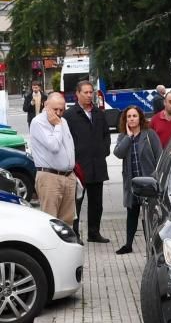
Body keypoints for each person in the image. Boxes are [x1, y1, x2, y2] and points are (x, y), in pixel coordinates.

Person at [64, 80, 112, 243]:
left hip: (97, 165)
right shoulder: (70, 115)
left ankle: (94, 233)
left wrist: (104, 150)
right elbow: (66, 139)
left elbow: (106, 134)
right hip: (79, 167)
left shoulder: (98, 113)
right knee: (76, 203)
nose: (89, 95)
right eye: (85, 92)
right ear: (77, 94)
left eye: (91, 92)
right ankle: (75, 234)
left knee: (97, 203)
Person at [112, 106, 162, 255]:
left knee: (150, 216)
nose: (132, 119)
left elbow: (159, 156)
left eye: (134, 116)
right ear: (125, 120)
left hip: (148, 183)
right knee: (131, 214)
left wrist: (157, 177)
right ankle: (128, 244)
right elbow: (118, 153)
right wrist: (128, 137)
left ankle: (152, 246)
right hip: (132, 184)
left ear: (140, 118)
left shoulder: (149, 135)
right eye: (129, 116)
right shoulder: (123, 137)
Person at [28, 93, 77, 226]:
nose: (58, 113)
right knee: (50, 222)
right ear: (45, 105)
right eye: (55, 109)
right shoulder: (38, 122)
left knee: (67, 222)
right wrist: (58, 125)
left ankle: (66, 246)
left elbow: (69, 146)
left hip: (68, 176)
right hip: (50, 177)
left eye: (61, 110)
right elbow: (53, 146)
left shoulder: (63, 121)